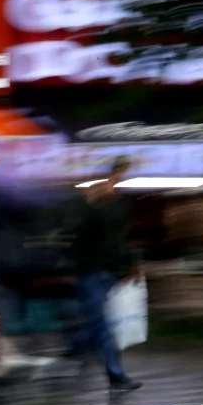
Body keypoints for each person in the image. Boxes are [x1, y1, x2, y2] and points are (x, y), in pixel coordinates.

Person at [68, 156, 142, 392]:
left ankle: (75, 359)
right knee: (101, 325)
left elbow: (117, 240)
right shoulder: (99, 208)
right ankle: (114, 373)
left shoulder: (104, 208)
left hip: (99, 273)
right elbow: (114, 240)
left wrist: (130, 265)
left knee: (97, 323)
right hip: (97, 273)